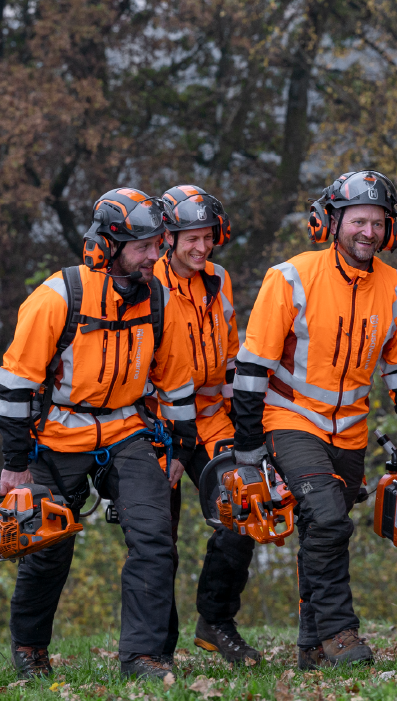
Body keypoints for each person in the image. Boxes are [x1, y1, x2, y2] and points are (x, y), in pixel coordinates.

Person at [0, 188, 197, 681]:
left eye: (158, 244)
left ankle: (143, 657)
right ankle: (30, 648)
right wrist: (16, 463)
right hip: (57, 435)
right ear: (106, 246)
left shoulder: (159, 300)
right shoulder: (58, 297)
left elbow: (178, 380)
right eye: (144, 246)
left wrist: (181, 444)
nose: (156, 256)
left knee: (154, 538)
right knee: (47, 547)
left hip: (127, 430)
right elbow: (15, 384)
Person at [233, 170, 397, 669]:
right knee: (327, 518)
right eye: (358, 220)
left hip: (351, 430)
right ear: (332, 221)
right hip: (290, 417)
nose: (368, 232)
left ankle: (311, 646)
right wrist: (249, 442)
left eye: (378, 222)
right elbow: (253, 366)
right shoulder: (291, 277)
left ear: (391, 228)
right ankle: (341, 635)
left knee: (324, 532)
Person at [152, 185, 262, 666]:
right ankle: (156, 644)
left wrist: (250, 416)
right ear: (167, 239)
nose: (200, 248)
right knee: (158, 537)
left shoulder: (219, 280)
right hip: (155, 425)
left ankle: (216, 621)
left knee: (246, 510)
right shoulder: (147, 283)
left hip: (211, 419)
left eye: (207, 237)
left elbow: (231, 354)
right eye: (189, 238)